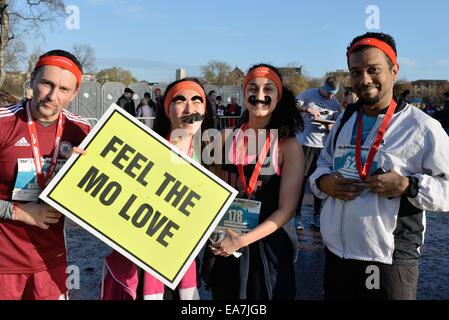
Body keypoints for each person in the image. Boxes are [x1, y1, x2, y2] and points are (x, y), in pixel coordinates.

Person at [309, 32, 449, 300]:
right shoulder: (346, 118)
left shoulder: (422, 127)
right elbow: (323, 164)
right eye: (356, 72)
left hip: (388, 260)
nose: (364, 79)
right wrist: (325, 182)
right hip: (337, 253)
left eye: (373, 70)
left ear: (394, 71)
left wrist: (409, 185)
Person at [101, 78, 214, 300]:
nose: (189, 109)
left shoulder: (209, 153)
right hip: (143, 264)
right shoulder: (145, 150)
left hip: (182, 262)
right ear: (167, 109)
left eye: (196, 101)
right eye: (180, 100)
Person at [202, 64, 304, 300]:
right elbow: (214, 193)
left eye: (268, 89)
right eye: (253, 88)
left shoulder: (288, 146)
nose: (259, 96)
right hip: (225, 243)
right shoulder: (226, 138)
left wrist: (242, 240)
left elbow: (287, 210)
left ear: (279, 96)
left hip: (266, 250)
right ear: (243, 91)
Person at [0, 49, 91, 300]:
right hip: (4, 266)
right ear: (32, 79)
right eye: (47, 84)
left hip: (52, 266)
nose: (52, 96)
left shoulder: (82, 132)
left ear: (74, 93)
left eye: (63, 89)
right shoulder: (4, 123)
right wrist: (20, 212)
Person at [295, 76, 341, 230]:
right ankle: (297, 216)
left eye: (333, 94)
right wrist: (308, 109)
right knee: (301, 181)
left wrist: (331, 127)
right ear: (323, 87)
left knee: (318, 182)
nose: (330, 96)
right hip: (306, 143)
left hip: (322, 146)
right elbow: (294, 105)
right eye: (328, 93)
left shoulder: (335, 104)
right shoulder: (309, 94)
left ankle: (316, 215)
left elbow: (338, 124)